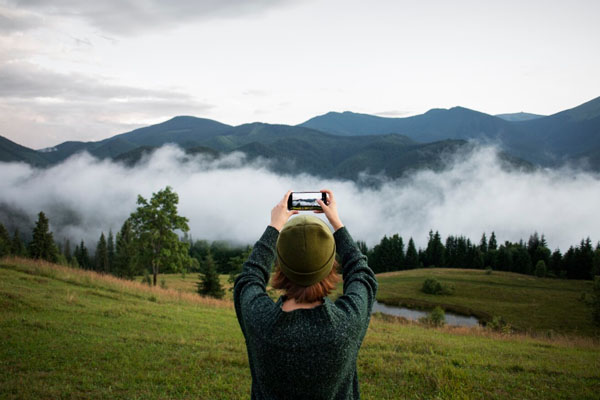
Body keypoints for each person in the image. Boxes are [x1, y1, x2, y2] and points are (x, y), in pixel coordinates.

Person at [234, 189, 378, 399]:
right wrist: (336, 223)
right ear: (331, 267)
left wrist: (274, 226)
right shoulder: (347, 323)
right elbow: (362, 275)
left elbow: (248, 277)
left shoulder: (259, 320)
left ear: (280, 267)